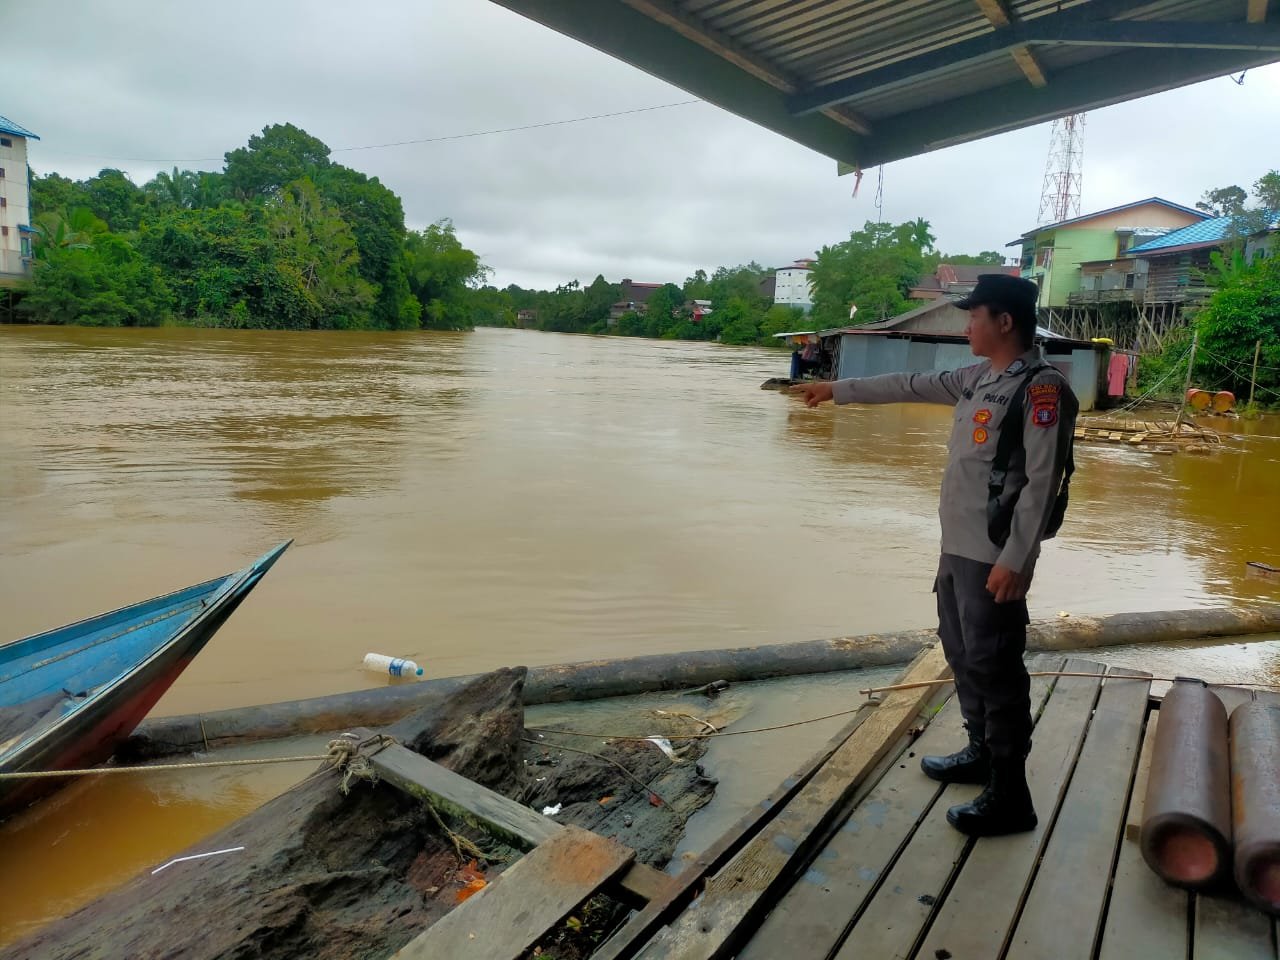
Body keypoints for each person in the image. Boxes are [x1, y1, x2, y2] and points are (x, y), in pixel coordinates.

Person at [792, 274, 1077, 838]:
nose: (966, 326)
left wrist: (1018, 559)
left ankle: (1010, 794)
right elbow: (908, 383)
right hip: (957, 548)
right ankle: (980, 752)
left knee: (996, 666)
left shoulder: (1041, 389)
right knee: (962, 652)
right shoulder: (976, 378)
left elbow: (1043, 483)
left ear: (1004, 322)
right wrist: (837, 390)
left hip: (994, 554)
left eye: (974, 317)